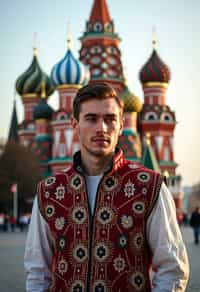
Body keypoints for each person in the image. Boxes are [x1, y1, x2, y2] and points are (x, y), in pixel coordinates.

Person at [24, 83, 189, 292]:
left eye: (110, 119)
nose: (101, 128)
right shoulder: (49, 192)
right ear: (74, 124)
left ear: (121, 125)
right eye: (91, 119)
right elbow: (37, 271)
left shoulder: (149, 187)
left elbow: (172, 268)